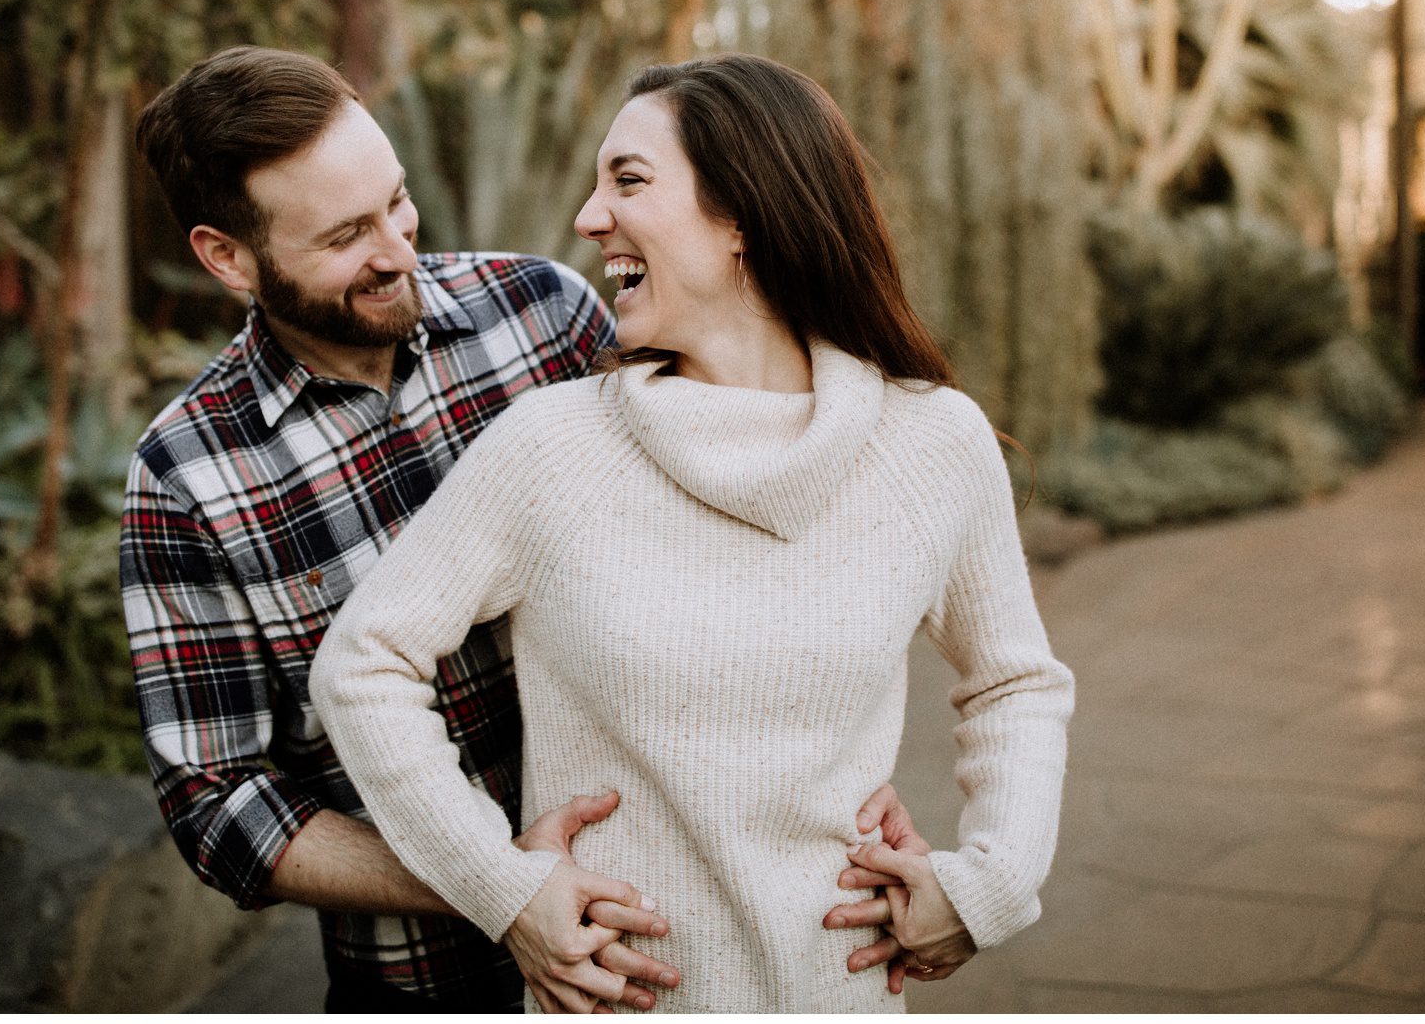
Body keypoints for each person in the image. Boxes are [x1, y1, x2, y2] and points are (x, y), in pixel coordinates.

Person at [119, 46, 927, 1013]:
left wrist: (823, 774)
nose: (397, 250)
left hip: (671, 958)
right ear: (227, 257)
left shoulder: (543, 317)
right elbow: (217, 804)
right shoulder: (186, 478)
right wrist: (497, 885)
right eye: (345, 237)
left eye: (398, 202)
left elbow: (737, 527)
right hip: (425, 985)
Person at [311, 53, 1075, 1013]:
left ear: (743, 217)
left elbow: (1013, 682)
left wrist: (989, 886)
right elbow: (364, 666)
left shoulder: (930, 442)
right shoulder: (554, 447)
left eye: (628, 181)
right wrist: (504, 890)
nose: (589, 219)